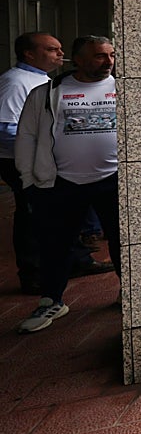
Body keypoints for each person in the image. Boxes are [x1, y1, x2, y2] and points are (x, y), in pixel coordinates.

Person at [15, 36, 121, 333]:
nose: (108, 62)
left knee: (121, 241)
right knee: (55, 244)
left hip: (113, 180)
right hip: (62, 182)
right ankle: (52, 300)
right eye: (99, 56)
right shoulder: (47, 93)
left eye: (111, 55)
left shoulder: (123, 88)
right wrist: (29, 181)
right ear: (78, 60)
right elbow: (27, 137)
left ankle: (129, 292)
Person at [0, 32, 65, 294]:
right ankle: (33, 273)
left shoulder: (44, 79)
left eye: (60, 49)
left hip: (44, 159)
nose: (60, 54)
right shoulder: (16, 82)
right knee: (31, 214)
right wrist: (40, 150)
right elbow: (5, 128)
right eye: (52, 49)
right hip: (21, 161)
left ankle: (73, 261)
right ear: (29, 54)